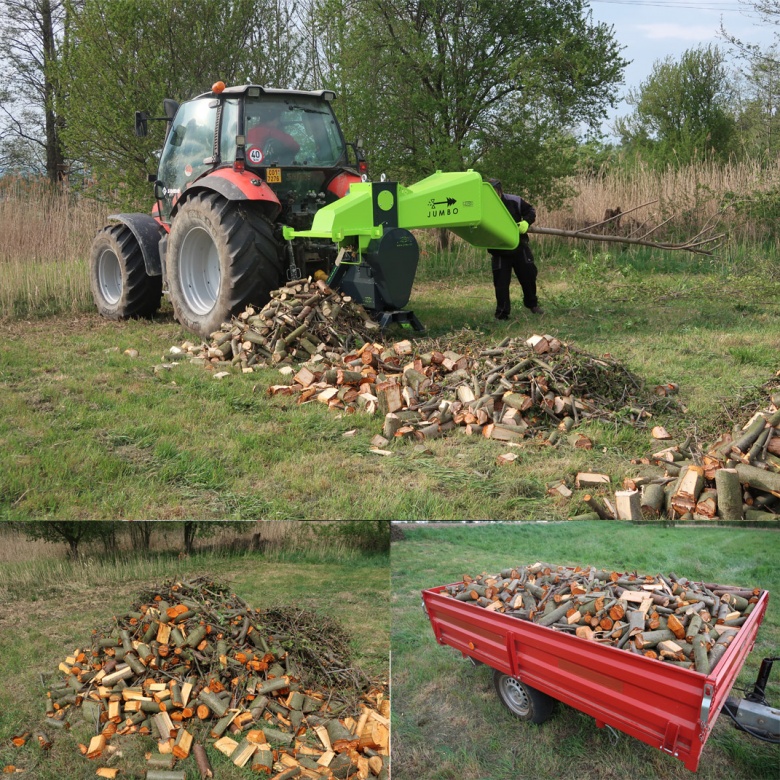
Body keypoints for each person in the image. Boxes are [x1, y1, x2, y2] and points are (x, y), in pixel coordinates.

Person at [487, 178, 543, 319]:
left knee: (529, 275)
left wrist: (526, 222)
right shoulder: (485, 205)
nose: (494, 194)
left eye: (495, 191)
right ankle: (502, 313)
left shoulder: (515, 201)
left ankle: (532, 304)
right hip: (499, 250)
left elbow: (531, 210)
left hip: (519, 247)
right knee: (501, 283)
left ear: (500, 191)